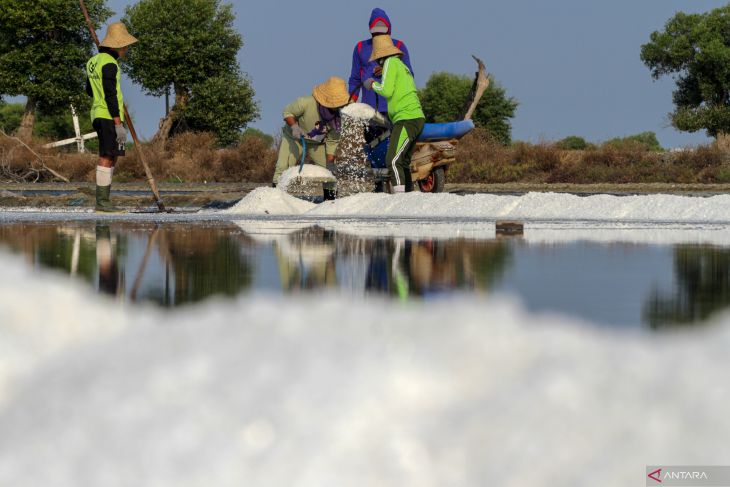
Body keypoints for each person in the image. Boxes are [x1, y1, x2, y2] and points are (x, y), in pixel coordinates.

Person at [85, 22, 138, 212]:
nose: (125, 50)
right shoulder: (109, 64)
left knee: (112, 155)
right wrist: (118, 124)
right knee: (107, 156)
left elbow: (89, 90)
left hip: (97, 113)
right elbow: (110, 94)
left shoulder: (93, 62)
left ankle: (104, 200)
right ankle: (102, 203)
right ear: (116, 46)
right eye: (124, 46)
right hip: (108, 116)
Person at [363, 35, 425, 193]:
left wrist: (372, 84)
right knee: (403, 161)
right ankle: (408, 196)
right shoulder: (400, 65)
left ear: (380, 56)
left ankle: (400, 199)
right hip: (416, 118)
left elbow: (387, 90)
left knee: (392, 160)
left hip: (406, 118)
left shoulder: (390, 62)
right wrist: (383, 72)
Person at [273, 77, 350, 200]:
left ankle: (330, 201)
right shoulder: (306, 102)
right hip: (295, 137)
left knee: (329, 173)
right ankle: (275, 197)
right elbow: (287, 112)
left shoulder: (337, 119)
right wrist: (294, 126)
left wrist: (330, 163)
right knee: (283, 166)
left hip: (317, 144)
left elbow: (332, 140)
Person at [349, 8, 413, 117]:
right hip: (368, 109)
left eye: (382, 31)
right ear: (370, 29)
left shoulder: (398, 46)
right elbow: (355, 79)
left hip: (394, 107)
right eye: (376, 31)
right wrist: (351, 102)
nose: (379, 34)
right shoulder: (360, 47)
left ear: (389, 29)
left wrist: (387, 71)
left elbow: (409, 75)